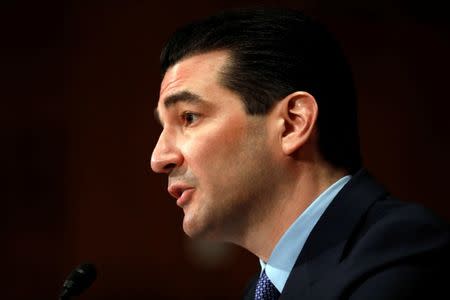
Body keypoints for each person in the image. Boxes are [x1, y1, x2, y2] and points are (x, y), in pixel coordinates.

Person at [150, 8, 449, 299]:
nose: (158, 158)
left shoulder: (399, 254)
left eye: (188, 117)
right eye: (162, 127)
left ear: (293, 124)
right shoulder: (261, 291)